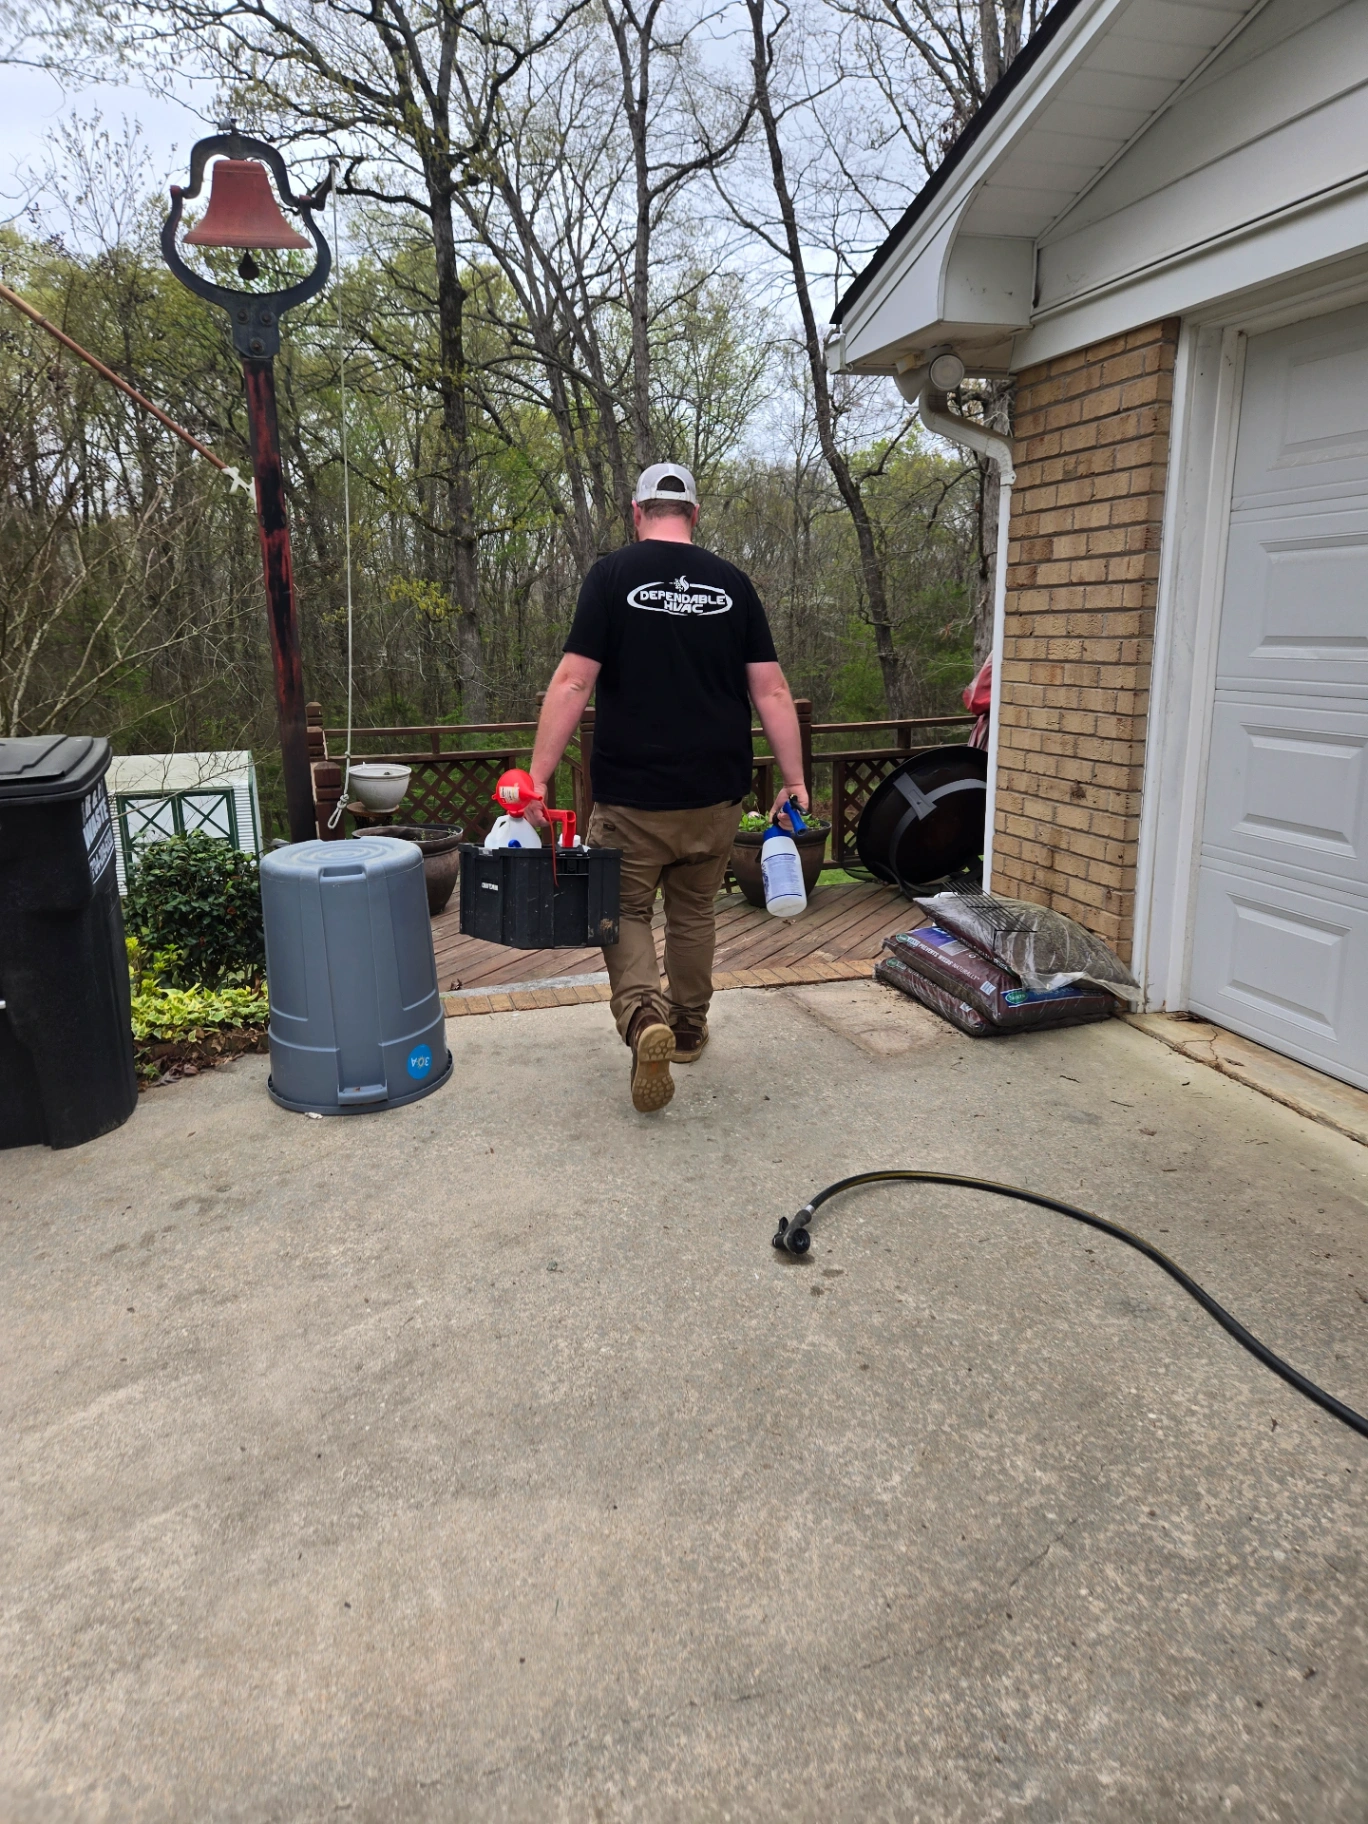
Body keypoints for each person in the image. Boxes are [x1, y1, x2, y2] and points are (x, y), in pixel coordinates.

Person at [528, 461, 810, 1114]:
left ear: (637, 512)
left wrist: (538, 777)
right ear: (694, 514)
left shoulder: (610, 577)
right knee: (693, 913)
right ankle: (685, 1026)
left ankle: (641, 1018)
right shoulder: (734, 585)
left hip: (632, 796)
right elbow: (771, 689)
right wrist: (793, 779)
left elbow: (573, 682)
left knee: (623, 912)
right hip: (714, 794)